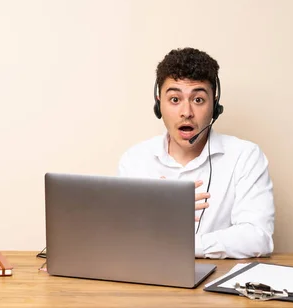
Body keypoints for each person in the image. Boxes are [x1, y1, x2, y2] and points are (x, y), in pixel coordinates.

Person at [117, 47, 275, 259]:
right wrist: (154, 216)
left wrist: (183, 244)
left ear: (215, 105)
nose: (186, 112)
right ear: (158, 104)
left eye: (198, 100)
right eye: (175, 99)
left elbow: (257, 237)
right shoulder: (134, 160)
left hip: (216, 284)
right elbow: (120, 237)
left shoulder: (245, 156)